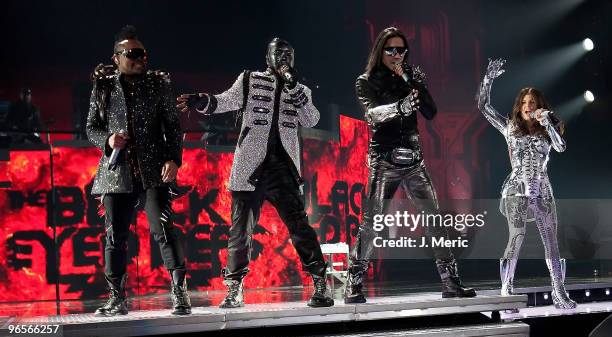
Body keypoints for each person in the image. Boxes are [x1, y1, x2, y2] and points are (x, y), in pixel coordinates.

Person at [177, 38, 334, 308]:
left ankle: (321, 283)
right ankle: (234, 288)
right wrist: (200, 100)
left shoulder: (301, 89)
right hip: (249, 166)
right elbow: (223, 101)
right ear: (268, 57)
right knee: (240, 231)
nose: (284, 57)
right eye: (278, 53)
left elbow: (311, 119)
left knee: (299, 225)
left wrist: (294, 87)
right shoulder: (249, 80)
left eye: (288, 54)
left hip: (283, 167)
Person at [346, 27, 476, 303]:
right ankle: (353, 285)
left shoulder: (410, 78)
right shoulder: (366, 80)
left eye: (401, 50)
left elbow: (430, 112)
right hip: (384, 159)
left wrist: (418, 85)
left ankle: (451, 283)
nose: (396, 54)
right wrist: (401, 106)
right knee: (371, 224)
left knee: (435, 222)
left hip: (414, 159)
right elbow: (372, 115)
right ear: (380, 51)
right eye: (391, 49)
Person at [87, 25, 191, 316]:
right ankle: (117, 298)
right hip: (116, 171)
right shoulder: (104, 86)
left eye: (143, 54)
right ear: (116, 57)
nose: (141, 59)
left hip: (152, 170)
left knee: (164, 230)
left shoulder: (159, 84)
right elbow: (91, 127)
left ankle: (180, 294)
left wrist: (174, 159)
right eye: (133, 54)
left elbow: (172, 124)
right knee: (114, 237)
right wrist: (107, 141)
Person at [477, 58, 576, 309]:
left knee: (551, 241)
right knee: (517, 237)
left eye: (532, 103)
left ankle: (559, 291)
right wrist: (488, 79)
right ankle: (507, 288)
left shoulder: (546, 129)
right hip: (516, 189)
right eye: (523, 102)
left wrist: (549, 124)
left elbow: (561, 147)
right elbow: (483, 106)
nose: (527, 106)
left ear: (539, 106)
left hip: (542, 188)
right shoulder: (510, 128)